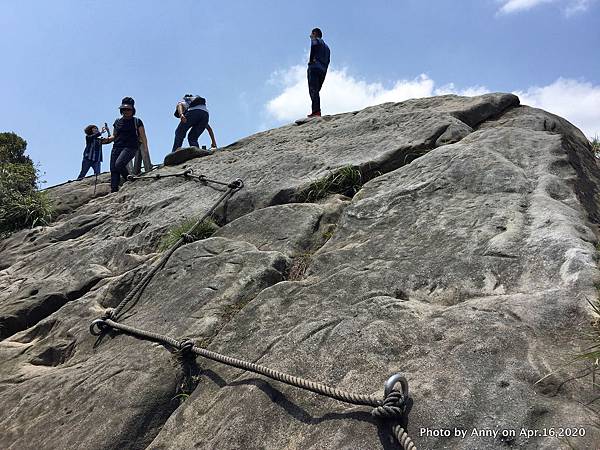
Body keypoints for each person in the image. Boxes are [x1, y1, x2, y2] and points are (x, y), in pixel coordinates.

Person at [103, 99, 150, 193]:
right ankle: (114, 191)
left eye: (128, 109)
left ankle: (129, 180)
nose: (126, 111)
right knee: (114, 169)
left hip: (131, 147)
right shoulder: (117, 121)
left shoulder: (137, 121)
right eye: (124, 109)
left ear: (133, 110)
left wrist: (145, 149)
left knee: (119, 164)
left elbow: (143, 136)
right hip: (116, 147)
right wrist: (105, 141)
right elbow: (114, 136)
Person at [307, 27, 330, 118]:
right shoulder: (327, 48)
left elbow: (314, 45)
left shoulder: (316, 40)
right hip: (323, 70)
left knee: (313, 90)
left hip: (314, 67)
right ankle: (316, 111)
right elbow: (328, 60)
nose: (310, 36)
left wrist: (311, 60)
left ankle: (316, 112)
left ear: (315, 33)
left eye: (311, 34)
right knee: (316, 91)